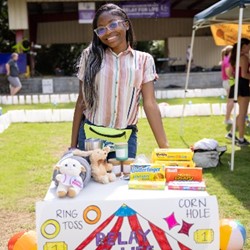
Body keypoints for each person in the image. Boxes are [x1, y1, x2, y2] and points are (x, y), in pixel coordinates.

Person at [70, 3, 169, 158]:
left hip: (125, 140)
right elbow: (82, 101)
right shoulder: (89, 57)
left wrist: (165, 148)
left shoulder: (144, 60)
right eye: (101, 29)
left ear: (126, 25)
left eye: (113, 24)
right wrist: (72, 146)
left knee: (123, 181)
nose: (108, 31)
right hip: (91, 139)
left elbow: (149, 104)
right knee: (93, 180)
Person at [225, 38, 250, 146]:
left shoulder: (234, 57)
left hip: (236, 85)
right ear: (244, 46)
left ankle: (231, 134)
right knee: (243, 114)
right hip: (243, 85)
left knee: (241, 113)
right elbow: (244, 74)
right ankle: (240, 139)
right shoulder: (243, 57)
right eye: (249, 46)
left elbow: (229, 73)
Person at [221, 45, 234, 124]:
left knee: (229, 101)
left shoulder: (225, 59)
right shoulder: (227, 60)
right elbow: (228, 73)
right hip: (229, 81)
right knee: (231, 101)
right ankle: (227, 119)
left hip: (226, 82)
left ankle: (228, 117)